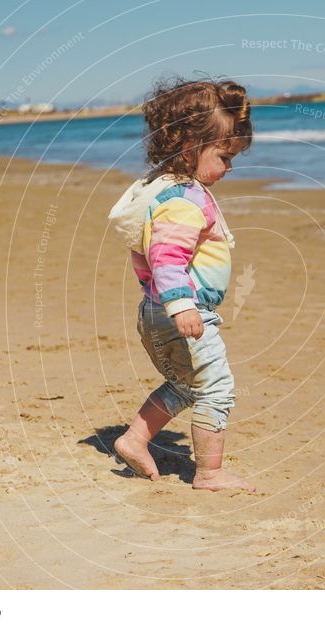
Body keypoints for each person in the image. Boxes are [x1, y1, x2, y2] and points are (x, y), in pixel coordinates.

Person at [109, 77, 255, 492]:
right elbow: (167, 258)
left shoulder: (166, 189)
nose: (230, 167)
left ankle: (135, 439)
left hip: (158, 312)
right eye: (224, 156)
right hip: (181, 311)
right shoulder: (182, 201)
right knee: (218, 389)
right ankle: (209, 473)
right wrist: (183, 306)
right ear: (190, 148)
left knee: (187, 385)